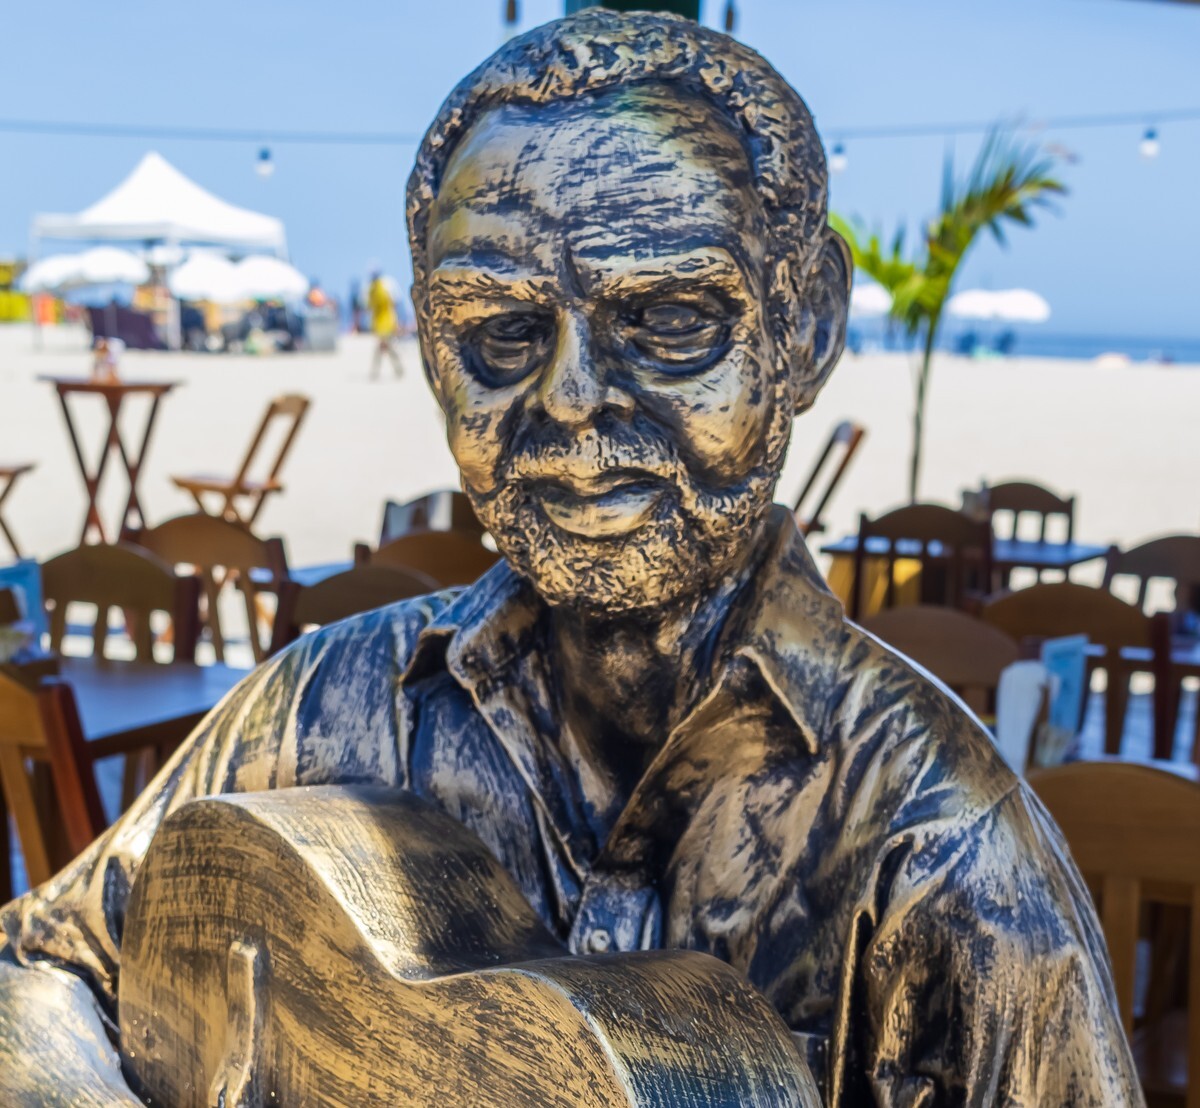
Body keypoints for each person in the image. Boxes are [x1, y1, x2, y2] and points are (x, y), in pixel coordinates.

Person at [0, 12, 1141, 1106]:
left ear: (807, 327)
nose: (574, 400)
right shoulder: (322, 710)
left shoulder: (937, 849)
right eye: (501, 333)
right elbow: (32, 968)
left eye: (671, 320)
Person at [367, 268, 403, 379]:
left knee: (385, 347)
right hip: (384, 322)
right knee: (386, 347)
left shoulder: (377, 288)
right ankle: (397, 370)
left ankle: (377, 372)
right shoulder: (379, 287)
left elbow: (370, 306)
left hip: (383, 323)